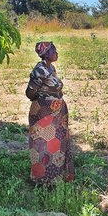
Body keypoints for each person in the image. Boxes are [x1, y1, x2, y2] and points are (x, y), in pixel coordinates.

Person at [25, 41, 75, 185]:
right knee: (42, 145)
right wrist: (45, 103)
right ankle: (42, 179)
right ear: (46, 54)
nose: (57, 53)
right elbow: (30, 92)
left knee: (56, 145)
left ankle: (55, 177)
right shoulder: (39, 70)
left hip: (57, 113)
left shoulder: (51, 68)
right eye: (54, 51)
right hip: (44, 113)